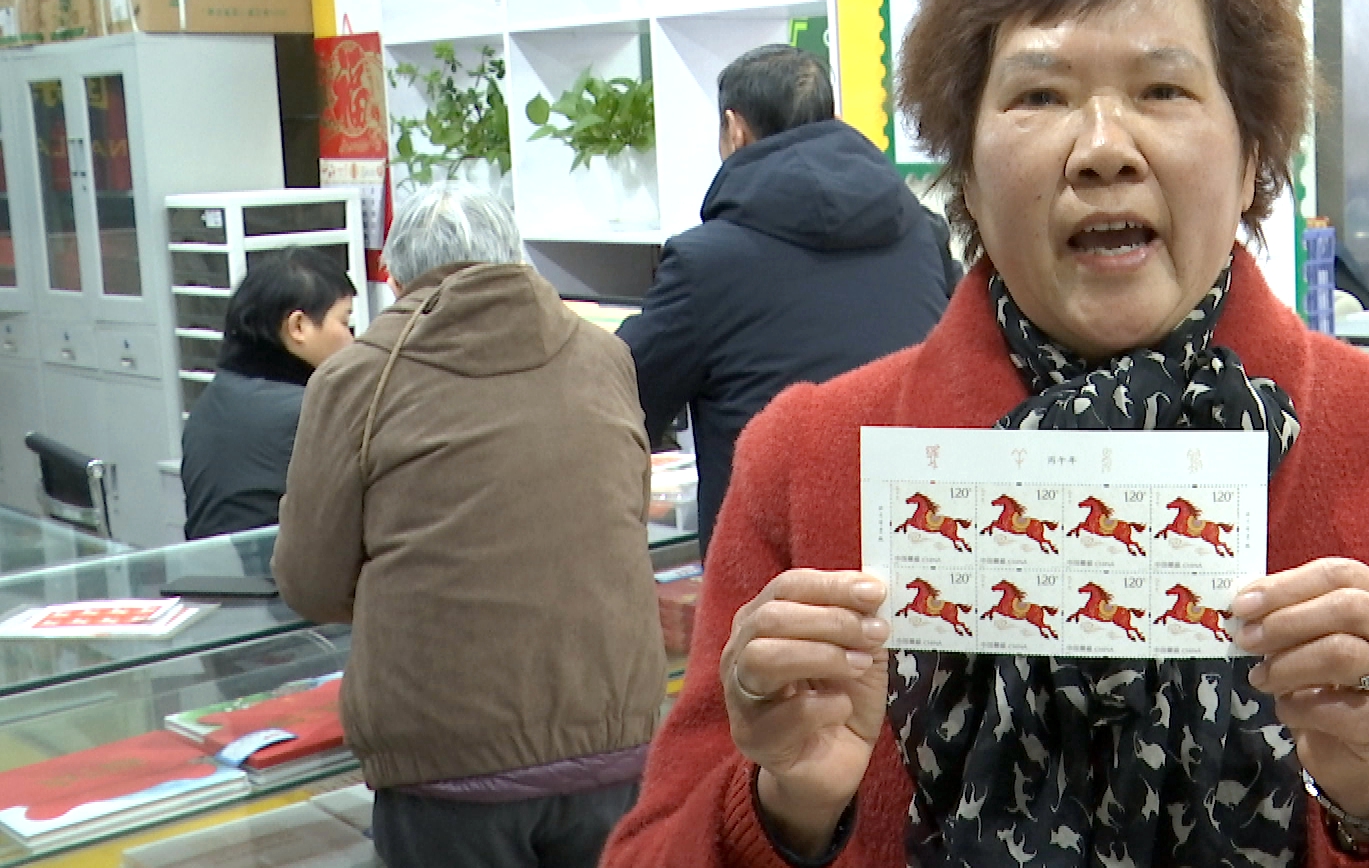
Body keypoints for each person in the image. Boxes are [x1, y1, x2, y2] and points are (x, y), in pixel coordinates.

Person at [601, 0, 1369, 867]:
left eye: (1163, 90)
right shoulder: (809, 455)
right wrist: (782, 808)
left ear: (1252, 158)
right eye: (1039, 96)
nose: (1101, 150)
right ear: (965, 171)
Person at [274, 183, 666, 868]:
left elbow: (311, 581)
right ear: (515, 259)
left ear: (397, 280)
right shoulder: (604, 354)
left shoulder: (355, 379)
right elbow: (628, 510)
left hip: (443, 756)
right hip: (615, 740)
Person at [617, 43, 959, 554]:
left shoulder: (704, 263)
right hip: (919, 543)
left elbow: (621, 403)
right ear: (831, 119)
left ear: (735, 130)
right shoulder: (923, 233)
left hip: (772, 564)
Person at [180, 246, 356, 540]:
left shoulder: (209, 404)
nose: (353, 339)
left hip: (216, 567)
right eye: (345, 322)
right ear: (298, 326)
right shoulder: (311, 414)